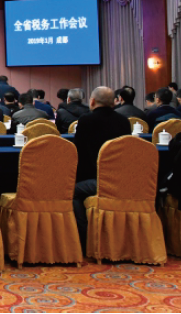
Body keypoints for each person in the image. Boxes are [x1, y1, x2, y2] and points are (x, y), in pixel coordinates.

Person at [71, 87, 132, 249]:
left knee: (71, 192)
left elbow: (78, 151)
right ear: (114, 102)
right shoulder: (124, 121)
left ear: (92, 101)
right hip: (122, 180)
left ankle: (85, 239)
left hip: (97, 181)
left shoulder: (86, 121)